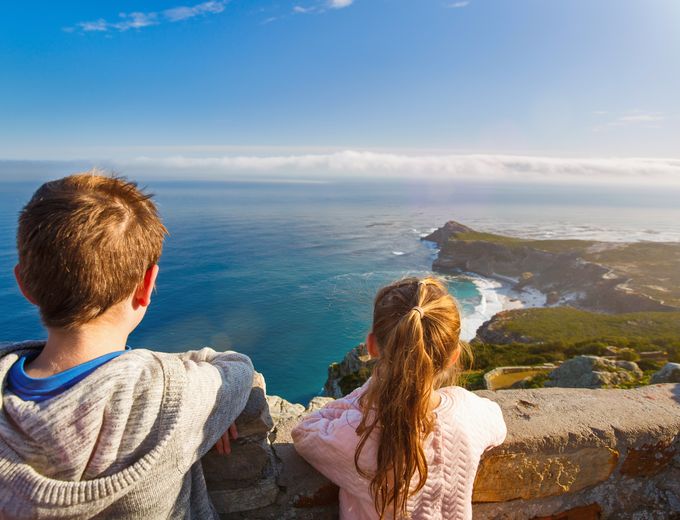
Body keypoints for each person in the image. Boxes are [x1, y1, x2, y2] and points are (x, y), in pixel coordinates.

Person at [0, 172, 254, 519]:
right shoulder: (171, 397)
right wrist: (186, 379)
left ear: (24, 284)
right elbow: (237, 369)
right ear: (147, 285)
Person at [292, 276, 507, 519]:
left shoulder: (356, 431)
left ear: (372, 346)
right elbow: (497, 422)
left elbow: (303, 432)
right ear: (453, 356)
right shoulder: (467, 412)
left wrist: (368, 395)